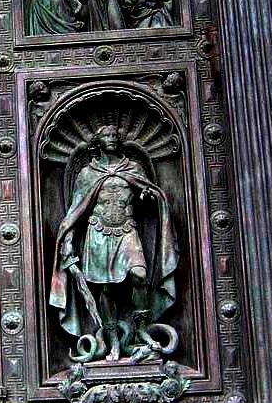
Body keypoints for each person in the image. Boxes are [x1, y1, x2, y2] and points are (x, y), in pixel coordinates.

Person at [49, 124, 178, 360]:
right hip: (98, 233)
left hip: (127, 229)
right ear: (98, 142)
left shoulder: (133, 167)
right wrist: (67, 241)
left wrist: (147, 197)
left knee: (139, 274)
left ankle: (140, 328)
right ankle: (114, 341)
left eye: (115, 135)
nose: (112, 138)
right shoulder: (88, 173)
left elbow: (150, 194)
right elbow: (76, 209)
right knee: (107, 287)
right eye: (107, 135)